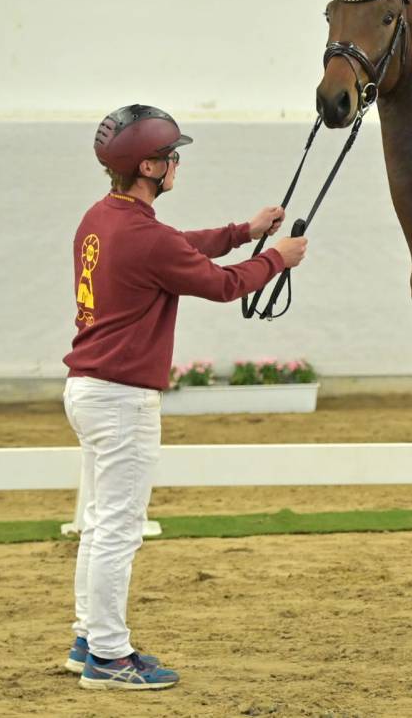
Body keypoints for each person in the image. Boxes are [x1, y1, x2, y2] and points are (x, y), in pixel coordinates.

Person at [60, 104, 307, 690]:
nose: (176, 165)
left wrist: (244, 233)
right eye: (171, 157)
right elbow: (221, 285)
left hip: (90, 389)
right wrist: (276, 259)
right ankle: (109, 657)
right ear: (148, 166)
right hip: (122, 399)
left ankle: (89, 639)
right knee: (119, 530)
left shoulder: (102, 217)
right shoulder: (144, 236)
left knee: (101, 525)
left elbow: (178, 244)